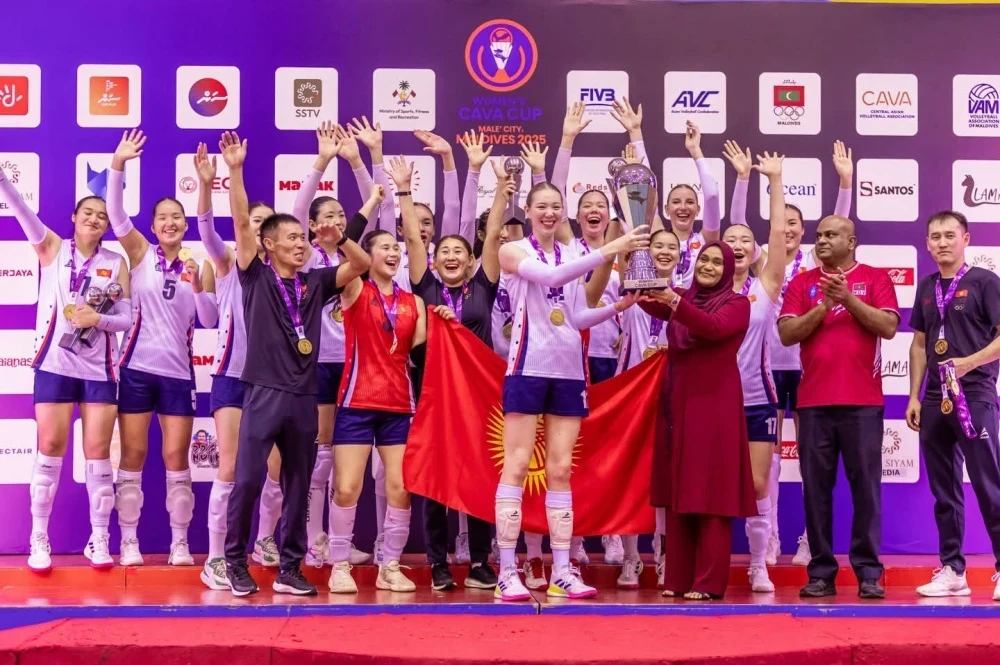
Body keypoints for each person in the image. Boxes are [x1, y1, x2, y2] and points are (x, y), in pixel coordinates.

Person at [220, 131, 371, 597]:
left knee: (299, 483)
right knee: (248, 480)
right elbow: (241, 223)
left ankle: (290, 568)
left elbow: (361, 265)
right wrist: (236, 170)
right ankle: (233, 562)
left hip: (304, 396)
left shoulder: (316, 282)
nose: (300, 244)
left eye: (303, 238)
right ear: (268, 245)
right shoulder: (255, 275)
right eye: (290, 238)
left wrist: (340, 239)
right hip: (264, 392)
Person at [492, 180, 649, 602]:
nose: (549, 213)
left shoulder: (573, 254)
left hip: (569, 374)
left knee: (561, 470)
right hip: (527, 367)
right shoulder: (513, 251)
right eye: (541, 206)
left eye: (555, 207)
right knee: (517, 465)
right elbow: (551, 277)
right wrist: (611, 250)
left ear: (563, 213)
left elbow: (575, 317)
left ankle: (562, 569)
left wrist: (617, 307)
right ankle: (507, 571)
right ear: (528, 210)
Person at [0, 165, 131, 572]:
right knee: (51, 446)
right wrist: (3, 181)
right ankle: (39, 537)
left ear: (108, 224)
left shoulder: (116, 262)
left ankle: (99, 538)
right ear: (74, 217)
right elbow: (23, 212)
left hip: (99, 369)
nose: (94, 219)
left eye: (102, 216)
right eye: (87, 213)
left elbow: (127, 319)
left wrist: (99, 319)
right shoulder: (53, 248)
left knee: (98, 454)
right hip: (55, 364)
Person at [394, 154, 511, 591]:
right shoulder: (425, 286)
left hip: (479, 397)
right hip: (433, 395)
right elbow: (412, 237)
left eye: (458, 251)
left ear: (471, 259)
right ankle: (438, 563)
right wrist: (403, 191)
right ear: (434, 260)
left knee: (481, 474)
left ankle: (480, 561)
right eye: (443, 251)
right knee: (435, 478)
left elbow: (494, 234)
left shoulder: (483, 286)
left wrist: (502, 191)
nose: (450, 256)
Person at [738, 140, 853, 566]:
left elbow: (839, 225)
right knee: (766, 459)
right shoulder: (763, 261)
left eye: (794, 224)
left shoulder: (815, 261)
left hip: (805, 369)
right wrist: (751, 180)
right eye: (781, 222)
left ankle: (809, 538)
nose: (786, 229)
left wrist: (846, 183)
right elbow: (738, 222)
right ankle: (769, 536)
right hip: (766, 370)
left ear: (804, 231)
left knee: (809, 457)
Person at [108, 129, 216, 567]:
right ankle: (128, 542)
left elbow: (209, 320)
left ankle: (179, 543)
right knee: (133, 455)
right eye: (162, 218)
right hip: (135, 369)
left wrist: (198, 285)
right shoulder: (139, 253)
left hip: (177, 374)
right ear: (153, 227)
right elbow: (115, 213)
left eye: (177, 217)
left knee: (176, 458)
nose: (170, 223)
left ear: (186, 225)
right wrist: (118, 163)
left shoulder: (201, 263)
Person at [777, 215, 899, 600]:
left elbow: (888, 327)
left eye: (832, 235)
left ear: (852, 241)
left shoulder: (876, 278)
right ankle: (821, 573)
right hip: (813, 404)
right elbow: (786, 334)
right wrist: (823, 307)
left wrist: (848, 299)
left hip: (863, 404)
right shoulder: (802, 283)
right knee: (816, 492)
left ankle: (868, 573)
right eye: (819, 235)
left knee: (867, 492)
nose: (823, 240)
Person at [637, 242, 754, 600]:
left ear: (728, 269)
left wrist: (673, 300)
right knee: (680, 491)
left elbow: (712, 328)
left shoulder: (737, 304)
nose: (708, 266)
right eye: (704, 259)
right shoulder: (686, 298)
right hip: (678, 402)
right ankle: (677, 579)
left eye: (717, 262)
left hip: (714, 408)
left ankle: (708, 582)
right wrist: (634, 266)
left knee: (711, 492)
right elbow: (646, 300)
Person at [290, 122, 380, 568]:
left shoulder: (353, 253)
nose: (337, 222)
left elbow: (375, 205)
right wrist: (322, 161)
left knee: (345, 453)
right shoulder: (305, 255)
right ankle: (315, 540)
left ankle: (338, 540)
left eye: (342, 217)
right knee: (322, 452)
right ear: (311, 226)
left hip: (355, 363)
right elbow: (298, 208)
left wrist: (359, 163)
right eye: (328, 216)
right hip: (318, 363)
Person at [326, 225, 427, 594]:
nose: (394, 253)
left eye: (396, 248)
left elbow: (420, 353)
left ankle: (390, 566)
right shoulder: (355, 289)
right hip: (357, 401)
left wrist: (446, 324)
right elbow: (352, 261)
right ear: (368, 255)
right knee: (347, 488)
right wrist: (342, 238)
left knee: (400, 488)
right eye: (385, 247)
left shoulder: (414, 303)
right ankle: (339, 566)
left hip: (399, 405)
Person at [190, 143, 273, 588]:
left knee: (272, 470)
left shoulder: (283, 273)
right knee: (229, 467)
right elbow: (206, 230)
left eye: (267, 224)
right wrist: (207, 184)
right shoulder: (225, 262)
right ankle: (217, 557)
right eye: (255, 221)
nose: (259, 228)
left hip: (272, 383)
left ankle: (264, 542)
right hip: (231, 378)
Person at [906, 211, 1000, 600]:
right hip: (933, 398)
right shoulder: (926, 287)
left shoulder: (984, 282)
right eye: (935, 237)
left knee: (988, 484)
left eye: (949, 235)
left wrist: (968, 363)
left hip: (974, 393)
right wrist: (914, 395)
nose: (942, 242)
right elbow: (918, 344)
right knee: (943, 490)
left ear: (966, 239)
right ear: (927, 243)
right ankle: (953, 570)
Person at [721, 152, 788, 593]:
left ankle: (758, 564)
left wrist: (775, 181)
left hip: (757, 399)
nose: (739, 244)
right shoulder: (701, 290)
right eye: (730, 238)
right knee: (709, 484)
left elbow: (778, 233)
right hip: (712, 401)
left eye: (746, 239)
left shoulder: (765, 289)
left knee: (759, 483)